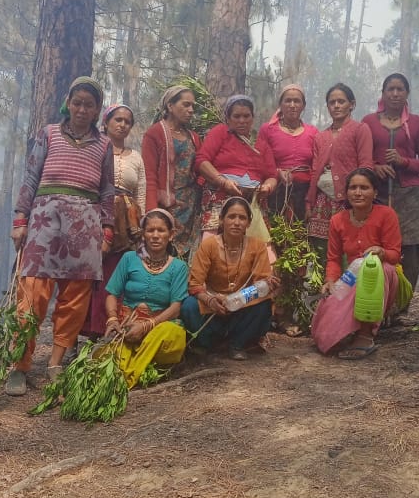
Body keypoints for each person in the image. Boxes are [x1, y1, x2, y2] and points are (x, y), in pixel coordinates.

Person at [5, 76, 115, 396]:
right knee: (32, 294)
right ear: (69, 102)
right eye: (77, 102)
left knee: (74, 297)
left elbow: (107, 191)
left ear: (97, 110)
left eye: (89, 104)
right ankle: (19, 365)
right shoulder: (49, 134)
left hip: (84, 226)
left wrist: (107, 230)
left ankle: (55, 362)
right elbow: (30, 177)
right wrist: (20, 219)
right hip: (44, 221)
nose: (82, 109)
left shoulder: (104, 145)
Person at [311, 169, 401, 359]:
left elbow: (395, 255)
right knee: (328, 310)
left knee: (376, 270)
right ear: (347, 192)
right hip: (353, 276)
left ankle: (366, 336)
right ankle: (344, 331)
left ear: (375, 193)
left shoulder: (386, 214)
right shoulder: (338, 220)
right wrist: (330, 280)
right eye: (353, 188)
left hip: (383, 275)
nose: (358, 192)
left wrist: (381, 252)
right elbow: (334, 258)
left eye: (364, 188)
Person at [362, 73, 419, 292]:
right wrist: (375, 167)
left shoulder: (418, 124)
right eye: (390, 89)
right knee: (375, 244)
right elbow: (362, 157)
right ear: (383, 94)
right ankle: (377, 302)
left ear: (407, 94)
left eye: (400, 89)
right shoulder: (369, 122)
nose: (395, 94)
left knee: (410, 248)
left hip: (408, 195)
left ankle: (401, 303)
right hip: (376, 195)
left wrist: (404, 161)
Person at [181, 197, 275, 360]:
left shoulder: (257, 246)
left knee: (265, 303)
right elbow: (194, 285)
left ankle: (237, 344)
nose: (237, 222)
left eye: (242, 218)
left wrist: (238, 299)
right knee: (189, 306)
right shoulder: (208, 245)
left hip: (242, 304)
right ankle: (208, 343)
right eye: (231, 217)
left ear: (248, 223)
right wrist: (211, 301)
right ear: (221, 219)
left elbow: (261, 284)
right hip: (213, 305)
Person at [104, 209, 188, 387]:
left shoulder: (179, 267)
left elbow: (176, 307)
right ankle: (130, 374)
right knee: (112, 357)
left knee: (170, 333)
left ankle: (127, 379)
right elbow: (112, 293)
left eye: (161, 230)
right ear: (143, 234)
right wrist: (112, 318)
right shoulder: (128, 258)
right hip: (128, 327)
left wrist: (147, 326)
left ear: (171, 235)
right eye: (150, 231)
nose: (155, 235)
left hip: (158, 329)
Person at [82, 103, 146, 339]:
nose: (122, 125)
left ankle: (110, 328)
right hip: (96, 215)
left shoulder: (136, 158)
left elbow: (140, 193)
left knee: (116, 273)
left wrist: (141, 226)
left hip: (126, 223)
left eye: (127, 121)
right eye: (117, 119)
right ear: (106, 122)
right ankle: (82, 330)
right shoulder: (94, 149)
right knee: (91, 274)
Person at [306, 83, 373, 263]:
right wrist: (309, 202)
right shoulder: (320, 137)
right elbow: (314, 172)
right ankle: (327, 290)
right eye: (331, 102)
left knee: (349, 249)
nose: (336, 105)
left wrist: (360, 198)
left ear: (352, 104)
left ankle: (348, 290)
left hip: (349, 201)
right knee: (322, 251)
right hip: (322, 203)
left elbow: (366, 166)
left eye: (341, 101)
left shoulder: (360, 130)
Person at [194, 94, 277, 234]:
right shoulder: (220, 132)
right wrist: (223, 182)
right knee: (212, 241)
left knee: (261, 246)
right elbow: (202, 161)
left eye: (246, 116)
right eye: (236, 116)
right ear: (228, 118)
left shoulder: (261, 144)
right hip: (220, 194)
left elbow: (272, 175)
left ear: (253, 118)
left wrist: (267, 187)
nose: (242, 121)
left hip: (253, 200)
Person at [141, 86, 201, 258]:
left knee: (185, 259)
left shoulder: (194, 137)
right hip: (166, 207)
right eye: (186, 105)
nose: (191, 110)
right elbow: (150, 176)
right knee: (161, 254)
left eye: (193, 106)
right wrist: (152, 214)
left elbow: (199, 169)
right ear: (170, 106)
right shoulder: (155, 134)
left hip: (190, 208)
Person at [258, 83, 318, 221]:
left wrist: (310, 201)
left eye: (297, 101)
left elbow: (316, 167)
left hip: (304, 194)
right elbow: (259, 161)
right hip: (275, 191)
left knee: (300, 236)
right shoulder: (267, 129)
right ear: (280, 104)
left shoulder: (313, 132)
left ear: (303, 106)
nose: (292, 105)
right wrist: (278, 172)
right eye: (288, 100)